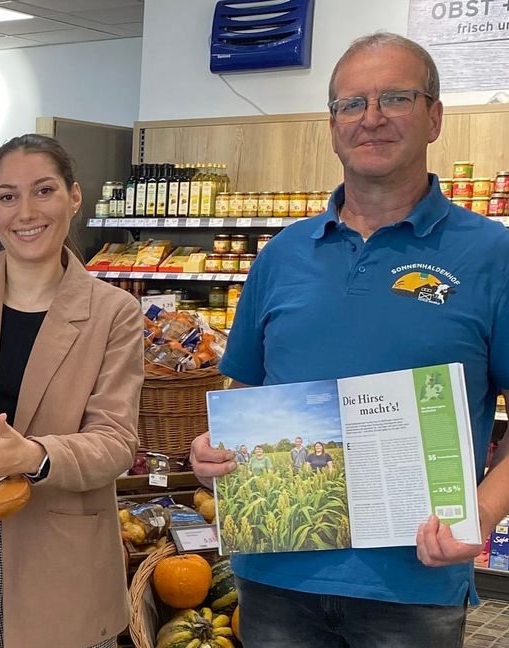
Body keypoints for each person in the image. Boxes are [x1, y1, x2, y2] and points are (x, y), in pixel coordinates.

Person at [190, 33, 509, 647]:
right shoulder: (281, 256)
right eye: (351, 103)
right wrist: (215, 453)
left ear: (435, 116)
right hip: (275, 578)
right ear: (332, 123)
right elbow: (244, 391)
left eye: (396, 97)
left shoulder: (491, 255)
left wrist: (484, 513)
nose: (372, 118)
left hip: (413, 587)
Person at [0, 134, 142, 648]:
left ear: (74, 197)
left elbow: (116, 441)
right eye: (8, 196)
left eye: (44, 191)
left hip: (61, 553)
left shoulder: (113, 313)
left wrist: (32, 454)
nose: (26, 211)